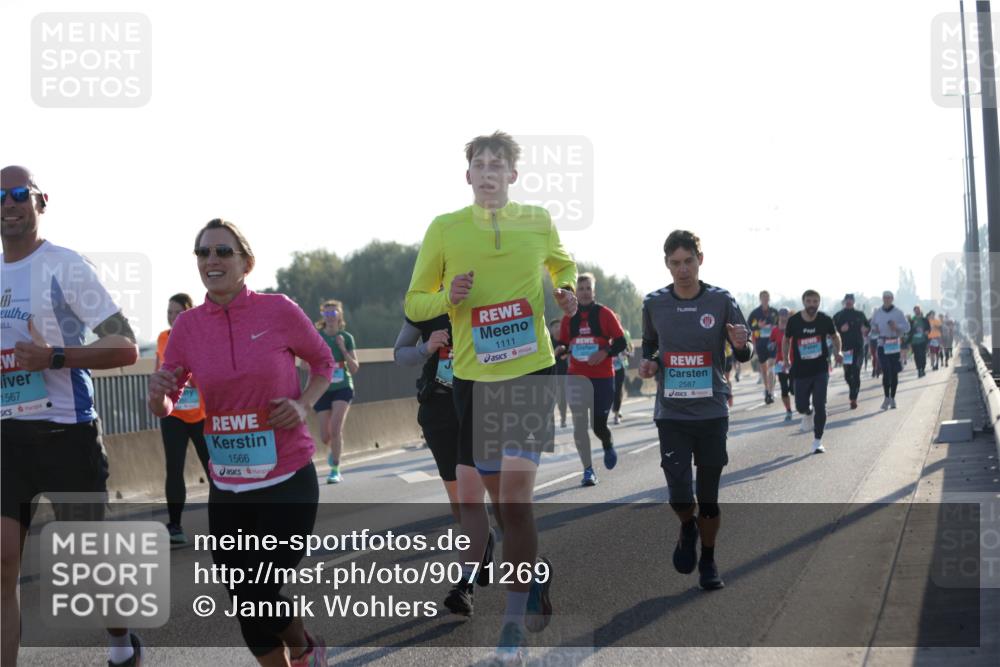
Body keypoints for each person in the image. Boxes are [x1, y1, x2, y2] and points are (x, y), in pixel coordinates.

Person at [404, 131, 577, 661]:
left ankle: (511, 626)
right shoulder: (444, 229)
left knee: (516, 501)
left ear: (512, 175)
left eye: (496, 165)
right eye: (478, 164)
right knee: (503, 505)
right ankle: (530, 577)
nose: (487, 172)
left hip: (530, 370)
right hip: (476, 381)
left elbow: (562, 265)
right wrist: (445, 295)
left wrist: (565, 292)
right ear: (468, 175)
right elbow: (414, 304)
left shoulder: (537, 221)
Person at [149, 218, 334, 666]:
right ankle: (302, 647)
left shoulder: (279, 310)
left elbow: (324, 363)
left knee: (262, 586)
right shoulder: (187, 328)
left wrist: (303, 404)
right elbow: (170, 400)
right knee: (243, 595)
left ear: (246, 262)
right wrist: (159, 399)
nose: (211, 260)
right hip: (228, 484)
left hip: (287, 475)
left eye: (222, 251)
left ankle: (304, 646)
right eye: (202, 253)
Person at [1, 166, 142, 666]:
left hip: (67, 432)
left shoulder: (65, 267)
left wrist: (55, 357)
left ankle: (122, 642)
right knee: (3, 564)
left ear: (40, 202)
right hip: (6, 441)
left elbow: (124, 345)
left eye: (20, 194)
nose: (9, 203)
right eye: (0, 196)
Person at [638, 229, 751, 592]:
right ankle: (686, 526)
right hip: (671, 414)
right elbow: (651, 347)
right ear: (666, 264)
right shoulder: (654, 303)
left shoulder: (721, 300)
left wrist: (740, 345)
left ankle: (709, 558)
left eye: (688, 261)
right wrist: (650, 363)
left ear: (700, 260)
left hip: (711, 411)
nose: (682, 269)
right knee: (679, 494)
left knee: (709, 495)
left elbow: (744, 349)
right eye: (675, 263)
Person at [559, 273, 627, 487]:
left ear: (593, 291)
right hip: (576, 377)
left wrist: (605, 352)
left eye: (588, 288)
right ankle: (588, 470)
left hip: (603, 378)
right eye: (581, 289)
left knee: (598, 426)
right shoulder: (568, 319)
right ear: (575, 294)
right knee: (579, 425)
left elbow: (621, 342)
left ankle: (607, 443)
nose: (585, 292)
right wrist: (560, 349)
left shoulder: (604, 314)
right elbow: (563, 343)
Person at [156, 293, 211, 544]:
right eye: (168, 313)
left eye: (176, 313)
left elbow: (207, 375)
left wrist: (188, 377)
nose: (171, 317)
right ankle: (175, 526)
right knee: (174, 468)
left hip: (200, 414)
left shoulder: (200, 337)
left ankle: (230, 521)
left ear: (187, 313)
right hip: (174, 414)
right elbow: (159, 369)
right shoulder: (163, 339)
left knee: (214, 468)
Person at [782, 290, 842, 454]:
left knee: (820, 404)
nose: (812, 305)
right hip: (800, 370)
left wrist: (839, 352)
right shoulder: (794, 321)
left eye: (815, 301)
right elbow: (786, 340)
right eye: (809, 301)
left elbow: (835, 336)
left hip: (820, 368)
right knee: (801, 406)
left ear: (819, 303)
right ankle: (807, 412)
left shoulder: (824, 319)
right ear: (803, 302)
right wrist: (786, 359)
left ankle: (817, 441)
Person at [312, 299, 359, 483]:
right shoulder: (317, 337)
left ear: (340, 315)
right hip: (323, 388)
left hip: (343, 387)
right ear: (323, 316)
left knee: (336, 428)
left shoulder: (346, 337)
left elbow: (355, 368)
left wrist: (342, 349)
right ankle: (334, 452)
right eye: (326, 313)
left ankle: (335, 469)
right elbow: (305, 365)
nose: (330, 317)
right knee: (325, 436)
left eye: (333, 313)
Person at [870, 291, 910, 410]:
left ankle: (892, 397)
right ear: (882, 299)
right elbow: (872, 327)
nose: (886, 300)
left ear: (892, 299)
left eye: (889, 298)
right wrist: (875, 329)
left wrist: (896, 326)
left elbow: (907, 327)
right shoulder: (877, 312)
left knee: (894, 372)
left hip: (894, 344)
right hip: (882, 344)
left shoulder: (898, 312)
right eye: (885, 298)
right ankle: (886, 397)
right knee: (886, 370)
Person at [833, 293, 870, 410]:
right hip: (845, 349)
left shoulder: (860, 314)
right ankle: (852, 389)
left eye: (851, 300)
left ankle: (853, 398)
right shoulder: (838, 316)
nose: (849, 302)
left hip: (858, 347)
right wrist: (840, 329)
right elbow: (832, 331)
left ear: (854, 302)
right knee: (847, 375)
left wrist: (865, 329)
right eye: (847, 300)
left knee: (856, 370)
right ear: (844, 302)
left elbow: (867, 326)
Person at [747, 290, 779, 404]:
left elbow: (780, 326)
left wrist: (775, 327)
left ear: (769, 298)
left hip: (772, 343)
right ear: (760, 299)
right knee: (764, 369)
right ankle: (766, 389)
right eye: (763, 297)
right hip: (760, 343)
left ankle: (771, 391)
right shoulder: (755, 313)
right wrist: (757, 326)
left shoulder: (774, 312)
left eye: (767, 297)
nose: (765, 299)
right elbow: (748, 326)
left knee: (771, 366)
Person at [769, 308, 795, 421]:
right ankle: (788, 411)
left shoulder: (794, 328)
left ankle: (804, 403)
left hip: (794, 362)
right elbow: (771, 342)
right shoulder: (775, 330)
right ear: (779, 316)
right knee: (784, 389)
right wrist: (771, 346)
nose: (784, 317)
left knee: (794, 389)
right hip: (780, 363)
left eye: (786, 315)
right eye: (782, 315)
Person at [549, 319, 569, 428]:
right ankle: (550, 420)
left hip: (566, 374)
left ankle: (563, 418)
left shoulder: (566, 340)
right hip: (552, 374)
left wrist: (567, 353)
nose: (558, 329)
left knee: (563, 398)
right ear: (550, 330)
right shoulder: (548, 342)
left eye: (559, 326)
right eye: (555, 327)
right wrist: (556, 352)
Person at [612, 331, 633, 425]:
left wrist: (626, 353)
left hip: (620, 366)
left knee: (618, 389)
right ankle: (616, 408)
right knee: (610, 390)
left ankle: (616, 414)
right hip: (607, 367)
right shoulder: (603, 332)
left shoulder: (624, 334)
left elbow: (630, 349)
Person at [909, 306, 930, 378]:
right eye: (915, 310)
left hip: (923, 340)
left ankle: (923, 368)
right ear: (914, 311)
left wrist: (927, 331)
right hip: (914, 341)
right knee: (916, 356)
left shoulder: (924, 319)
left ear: (920, 311)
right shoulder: (912, 320)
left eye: (918, 310)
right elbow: (909, 330)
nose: (917, 311)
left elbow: (928, 328)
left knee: (922, 355)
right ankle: (919, 369)